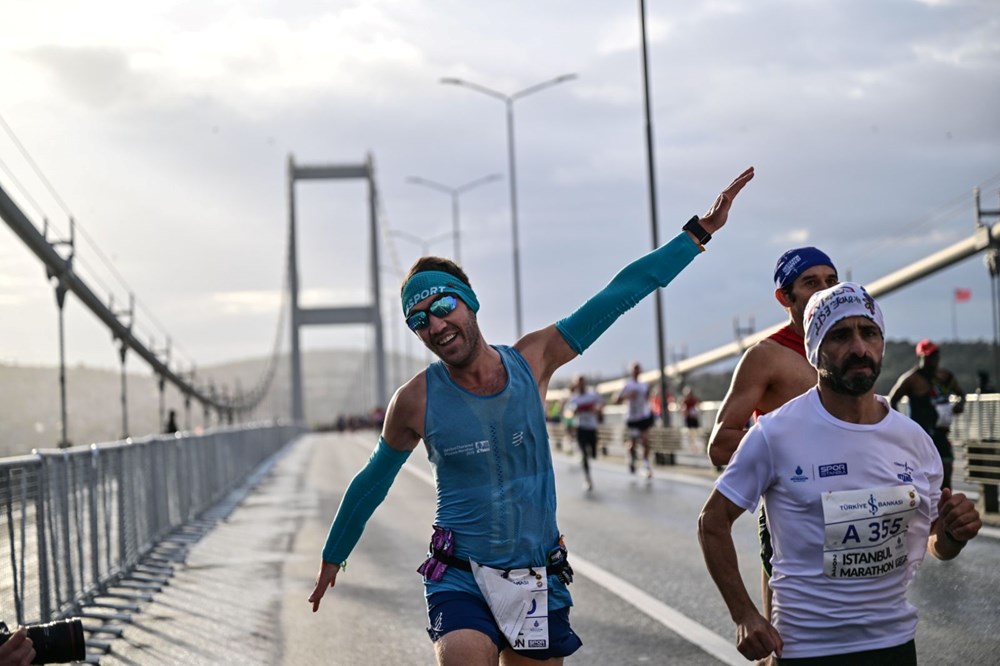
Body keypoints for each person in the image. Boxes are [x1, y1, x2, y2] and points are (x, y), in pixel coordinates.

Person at [307, 167, 755, 666]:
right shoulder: (414, 401)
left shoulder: (533, 360)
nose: (435, 325)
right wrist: (334, 553)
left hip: (535, 575)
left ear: (470, 303)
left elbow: (617, 295)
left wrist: (698, 234)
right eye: (419, 321)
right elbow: (372, 481)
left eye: (444, 306)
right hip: (460, 573)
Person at [698, 282, 982, 664]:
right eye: (840, 335)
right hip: (807, 649)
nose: (859, 348)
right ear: (815, 350)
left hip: (894, 644)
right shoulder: (775, 434)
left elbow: (936, 543)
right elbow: (712, 521)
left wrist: (952, 532)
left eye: (869, 333)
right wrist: (744, 614)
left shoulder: (914, 441)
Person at [706, 246, 838, 631]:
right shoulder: (766, 356)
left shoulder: (850, 346)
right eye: (810, 282)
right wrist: (789, 452)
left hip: (851, 504)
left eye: (831, 281)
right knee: (785, 634)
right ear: (785, 297)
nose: (824, 290)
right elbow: (720, 442)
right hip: (791, 511)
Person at [888, 339, 966, 490]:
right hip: (921, 434)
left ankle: (945, 506)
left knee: (946, 469)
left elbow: (961, 394)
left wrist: (959, 405)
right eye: (930, 357)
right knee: (923, 475)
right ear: (921, 357)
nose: (933, 360)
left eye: (936, 356)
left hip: (941, 432)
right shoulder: (911, 379)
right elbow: (892, 401)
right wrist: (902, 424)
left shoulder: (945, 377)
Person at [615, 362, 654, 479]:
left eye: (638, 369)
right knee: (633, 443)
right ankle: (631, 457)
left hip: (643, 416)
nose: (636, 371)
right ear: (631, 371)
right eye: (634, 369)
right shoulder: (627, 385)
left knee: (646, 441)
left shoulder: (644, 385)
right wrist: (627, 396)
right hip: (632, 418)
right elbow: (616, 400)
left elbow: (647, 399)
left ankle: (646, 464)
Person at [568, 375, 603, 491]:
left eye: (583, 382)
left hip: (592, 428)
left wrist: (597, 411)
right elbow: (568, 414)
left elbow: (601, 406)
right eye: (579, 383)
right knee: (584, 455)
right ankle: (588, 478)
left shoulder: (592, 395)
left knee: (593, 454)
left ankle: (591, 454)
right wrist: (574, 412)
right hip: (581, 428)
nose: (581, 385)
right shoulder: (574, 399)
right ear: (576, 384)